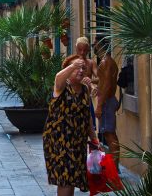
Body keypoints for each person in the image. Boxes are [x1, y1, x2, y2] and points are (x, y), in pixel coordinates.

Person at [43, 56, 99, 196]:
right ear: (67, 71)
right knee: (66, 179)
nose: (80, 71)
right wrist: (72, 66)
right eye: (76, 68)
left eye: (82, 68)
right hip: (59, 142)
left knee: (72, 178)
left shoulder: (85, 89)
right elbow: (58, 77)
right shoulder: (61, 87)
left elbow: (87, 118)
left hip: (77, 142)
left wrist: (94, 139)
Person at [94, 38, 120, 168]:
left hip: (107, 102)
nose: (93, 45)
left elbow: (108, 84)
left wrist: (99, 105)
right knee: (107, 133)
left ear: (100, 45)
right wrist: (95, 84)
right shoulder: (107, 62)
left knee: (109, 134)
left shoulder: (106, 62)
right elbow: (104, 81)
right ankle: (113, 166)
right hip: (107, 100)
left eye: (95, 43)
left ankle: (114, 168)